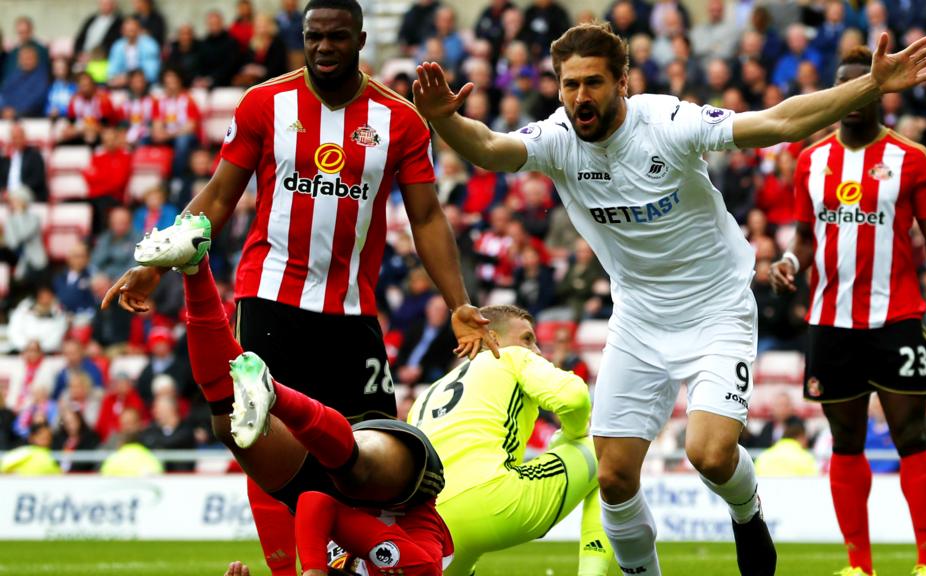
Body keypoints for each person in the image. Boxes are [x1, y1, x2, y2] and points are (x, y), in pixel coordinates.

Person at [414, 20, 926, 576]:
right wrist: (445, 117)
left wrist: (872, 85)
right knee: (614, 477)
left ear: (623, 81)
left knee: (710, 454)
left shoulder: (667, 122)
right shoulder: (557, 140)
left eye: (593, 83)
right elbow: (493, 149)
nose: (580, 97)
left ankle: (747, 509)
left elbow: (778, 121)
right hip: (638, 317)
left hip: (717, 307)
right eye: (569, 85)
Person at [102, 2, 496, 574]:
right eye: (314, 37)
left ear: (360, 39)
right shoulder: (265, 103)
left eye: (337, 37)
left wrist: (458, 302)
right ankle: (300, 567)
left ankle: (354, 562)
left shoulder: (400, 119)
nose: (324, 48)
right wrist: (155, 261)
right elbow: (218, 195)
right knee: (254, 439)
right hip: (270, 300)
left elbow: (428, 218)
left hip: (351, 313)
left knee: (370, 464)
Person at [136, 230, 452, 574]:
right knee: (353, 472)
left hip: (331, 499)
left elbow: (312, 499)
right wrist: (313, 568)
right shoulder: (415, 567)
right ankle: (273, 392)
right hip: (406, 492)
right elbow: (322, 504)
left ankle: (195, 268)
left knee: (232, 428)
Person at [770, 47, 926, 576]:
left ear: (879, 88)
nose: (854, 96)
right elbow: (804, 237)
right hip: (829, 321)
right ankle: (859, 566)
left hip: (898, 318)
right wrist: (790, 260)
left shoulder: (912, 158)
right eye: (845, 87)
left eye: (865, 85)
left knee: (912, 437)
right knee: (845, 441)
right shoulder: (810, 161)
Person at [410, 304, 612, 576]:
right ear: (491, 338)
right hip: (493, 500)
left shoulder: (428, 393)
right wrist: (574, 436)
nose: (537, 351)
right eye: (528, 339)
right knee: (608, 452)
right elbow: (574, 397)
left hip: (431, 524)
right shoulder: (510, 357)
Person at [752, 416, 818, 477]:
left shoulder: (763, 456)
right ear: (801, 437)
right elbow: (813, 482)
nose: (807, 443)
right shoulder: (806, 458)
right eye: (805, 439)